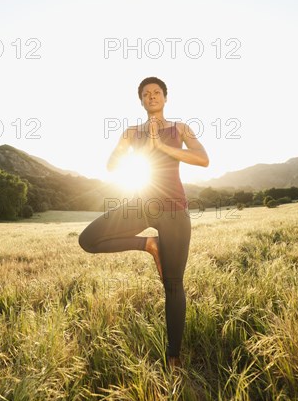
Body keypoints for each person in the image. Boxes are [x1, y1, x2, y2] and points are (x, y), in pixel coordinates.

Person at [78, 77, 209, 370]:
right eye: (146, 93)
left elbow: (203, 160)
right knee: (88, 240)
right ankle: (149, 244)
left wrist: (161, 145)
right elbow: (113, 166)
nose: (152, 96)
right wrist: (123, 146)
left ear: (165, 97)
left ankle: (173, 355)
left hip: (174, 210)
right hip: (141, 204)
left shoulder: (180, 128)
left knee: (173, 284)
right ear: (140, 101)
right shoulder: (131, 132)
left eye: (157, 92)